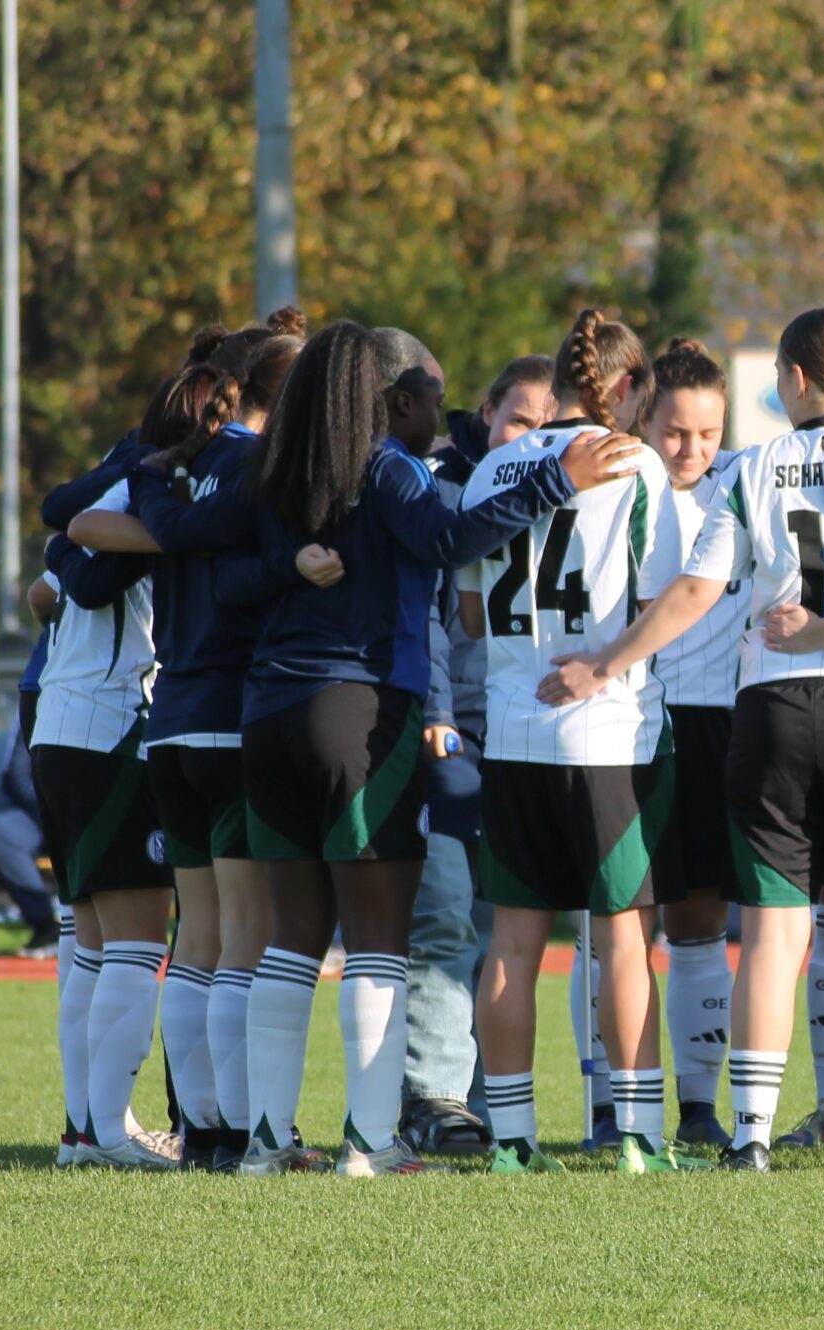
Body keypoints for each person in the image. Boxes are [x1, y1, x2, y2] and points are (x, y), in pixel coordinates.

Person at [538, 306, 824, 1172]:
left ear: (790, 379)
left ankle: (749, 1135)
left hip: (775, 713)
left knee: (774, 933)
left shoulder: (756, 467)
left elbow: (696, 594)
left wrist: (605, 661)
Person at [232, 320, 637, 1178]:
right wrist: (558, 479)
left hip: (266, 713)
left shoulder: (274, 469)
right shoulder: (383, 467)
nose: (440, 417)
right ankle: (373, 1144)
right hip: (357, 712)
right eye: (431, 400)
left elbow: (231, 579)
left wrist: (289, 570)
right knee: (379, 938)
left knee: (292, 938)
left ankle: (265, 1143)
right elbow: (449, 541)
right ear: (394, 401)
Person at [68, 306, 308, 1171]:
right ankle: (236, 1131)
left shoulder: (187, 468)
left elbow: (80, 519)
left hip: (168, 724)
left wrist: (167, 531)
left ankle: (206, 1130)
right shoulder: (258, 470)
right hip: (231, 721)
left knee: (199, 938)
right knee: (246, 933)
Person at [461, 308, 699, 1175]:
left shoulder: (493, 466)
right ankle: (637, 1134)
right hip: (609, 735)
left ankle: (514, 1142)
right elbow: (668, 602)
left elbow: (467, 600)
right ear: (628, 389)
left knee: (513, 943)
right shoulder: (635, 467)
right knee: (625, 936)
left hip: (513, 731)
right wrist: (600, 663)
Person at [392, 353, 555, 1160]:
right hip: (457, 730)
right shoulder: (440, 486)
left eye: (547, 426)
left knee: (507, 925)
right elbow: (422, 613)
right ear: (487, 412)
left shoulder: (574, 490)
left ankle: (498, 1103)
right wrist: (436, 712)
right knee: (445, 912)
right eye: (520, 419)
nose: (532, 438)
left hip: (532, 733)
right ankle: (434, 1098)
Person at [637, 338, 743, 1148]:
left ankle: (700, 1106)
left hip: (724, 724)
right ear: (647, 419)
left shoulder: (745, 483)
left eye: (708, 434)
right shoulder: (622, 491)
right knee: (624, 919)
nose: (692, 450)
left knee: (703, 918)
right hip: (636, 723)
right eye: (677, 432)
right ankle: (611, 1105)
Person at [0, 716, 59, 958]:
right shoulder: (34, 708)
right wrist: (52, 809)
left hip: (94, 815)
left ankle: (121, 932)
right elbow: (15, 775)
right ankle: (45, 923)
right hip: (41, 814)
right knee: (2, 830)